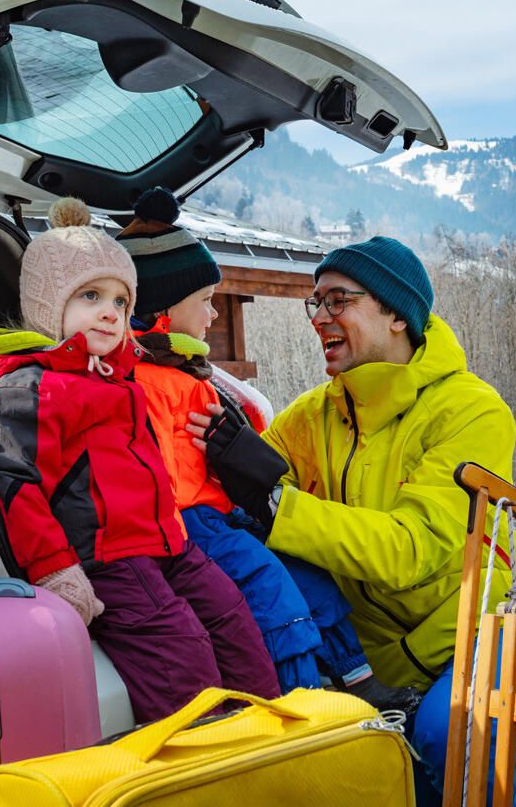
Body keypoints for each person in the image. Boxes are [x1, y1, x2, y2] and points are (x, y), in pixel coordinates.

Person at [188, 235, 516, 795]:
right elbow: (243, 499)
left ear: (397, 315)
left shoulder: (472, 412)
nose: (320, 318)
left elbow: (408, 549)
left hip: (482, 632)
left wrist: (276, 503)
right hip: (379, 657)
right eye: (316, 303)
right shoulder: (311, 417)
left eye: (339, 301)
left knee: (446, 732)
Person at [0, 196, 278, 723]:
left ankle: (265, 740)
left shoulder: (118, 377)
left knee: (235, 621)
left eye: (122, 302)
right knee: (181, 656)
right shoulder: (28, 388)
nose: (110, 311)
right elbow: (11, 481)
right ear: (46, 305)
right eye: (90, 296)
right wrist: (56, 569)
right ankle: (199, 762)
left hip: (168, 543)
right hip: (108, 559)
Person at [116, 188, 417, 710]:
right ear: (163, 307)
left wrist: (249, 464)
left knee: (307, 572)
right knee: (269, 589)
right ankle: (304, 697)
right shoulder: (143, 381)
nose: (213, 315)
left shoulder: (188, 374)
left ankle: (355, 675)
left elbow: (249, 443)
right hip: (190, 521)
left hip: (220, 511)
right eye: (206, 301)